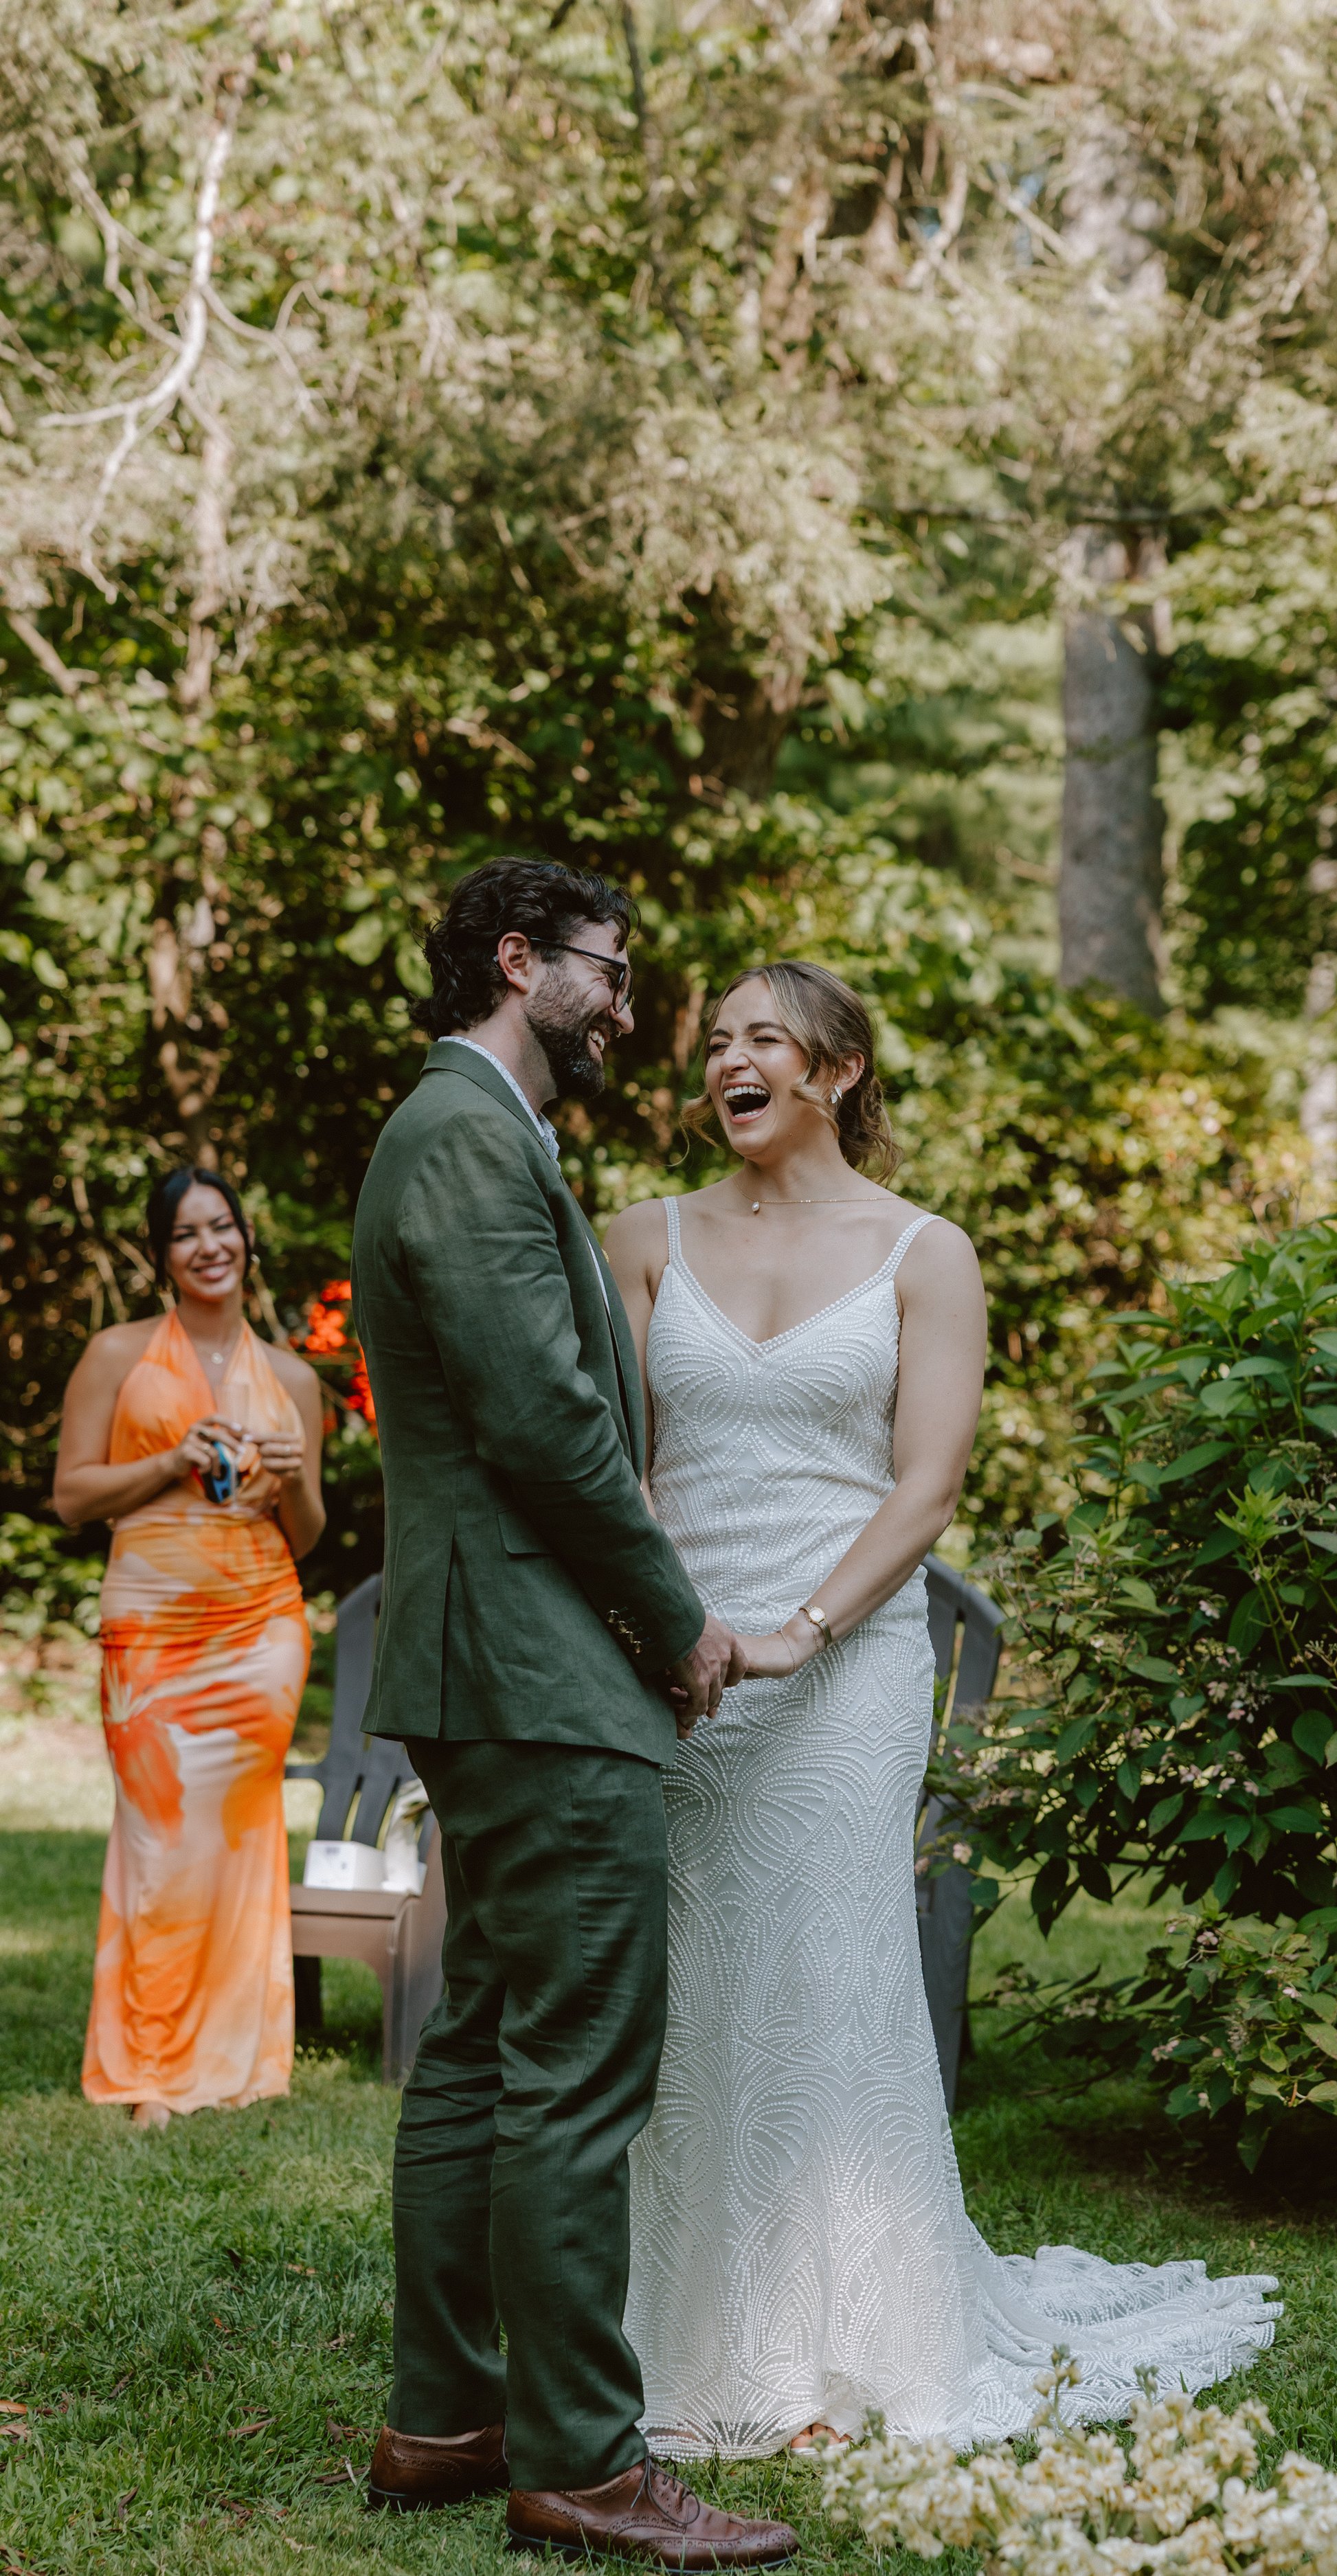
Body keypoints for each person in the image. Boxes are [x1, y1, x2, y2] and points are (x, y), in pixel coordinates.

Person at [603, 960, 1281, 2460]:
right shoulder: (641, 1237)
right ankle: (679, 2335)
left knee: (825, 1973)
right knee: (689, 1987)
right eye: (715, 1041)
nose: (727, 1061)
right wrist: (673, 1629)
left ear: (836, 1071)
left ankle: (846, 2343)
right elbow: (622, 1470)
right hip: (679, 1662)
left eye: (762, 1039)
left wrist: (796, 1635)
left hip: (843, 1665)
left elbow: (926, 1487)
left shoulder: (925, 1253)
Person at [350, 857, 798, 2566]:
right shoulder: (464, 1135)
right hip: (533, 1666)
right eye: (608, 971)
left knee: (481, 2041)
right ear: (518, 959)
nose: (626, 1004)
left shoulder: (477, 1132)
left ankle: (448, 2418)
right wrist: (672, 1623)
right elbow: (542, 1420)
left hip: (495, 1662)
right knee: (578, 2063)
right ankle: (584, 2465)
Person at [54, 1168, 326, 2127]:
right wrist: (172, 1459)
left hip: (262, 1628)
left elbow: (307, 1535)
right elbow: (72, 1495)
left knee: (240, 1838)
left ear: (247, 1239)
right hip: (153, 1629)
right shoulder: (116, 1354)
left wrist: (293, 1480)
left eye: (222, 1227)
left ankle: (235, 2055)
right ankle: (153, 2066)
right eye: (185, 1233)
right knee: (159, 1836)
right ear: (161, 1255)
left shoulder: (293, 1378)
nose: (209, 1246)